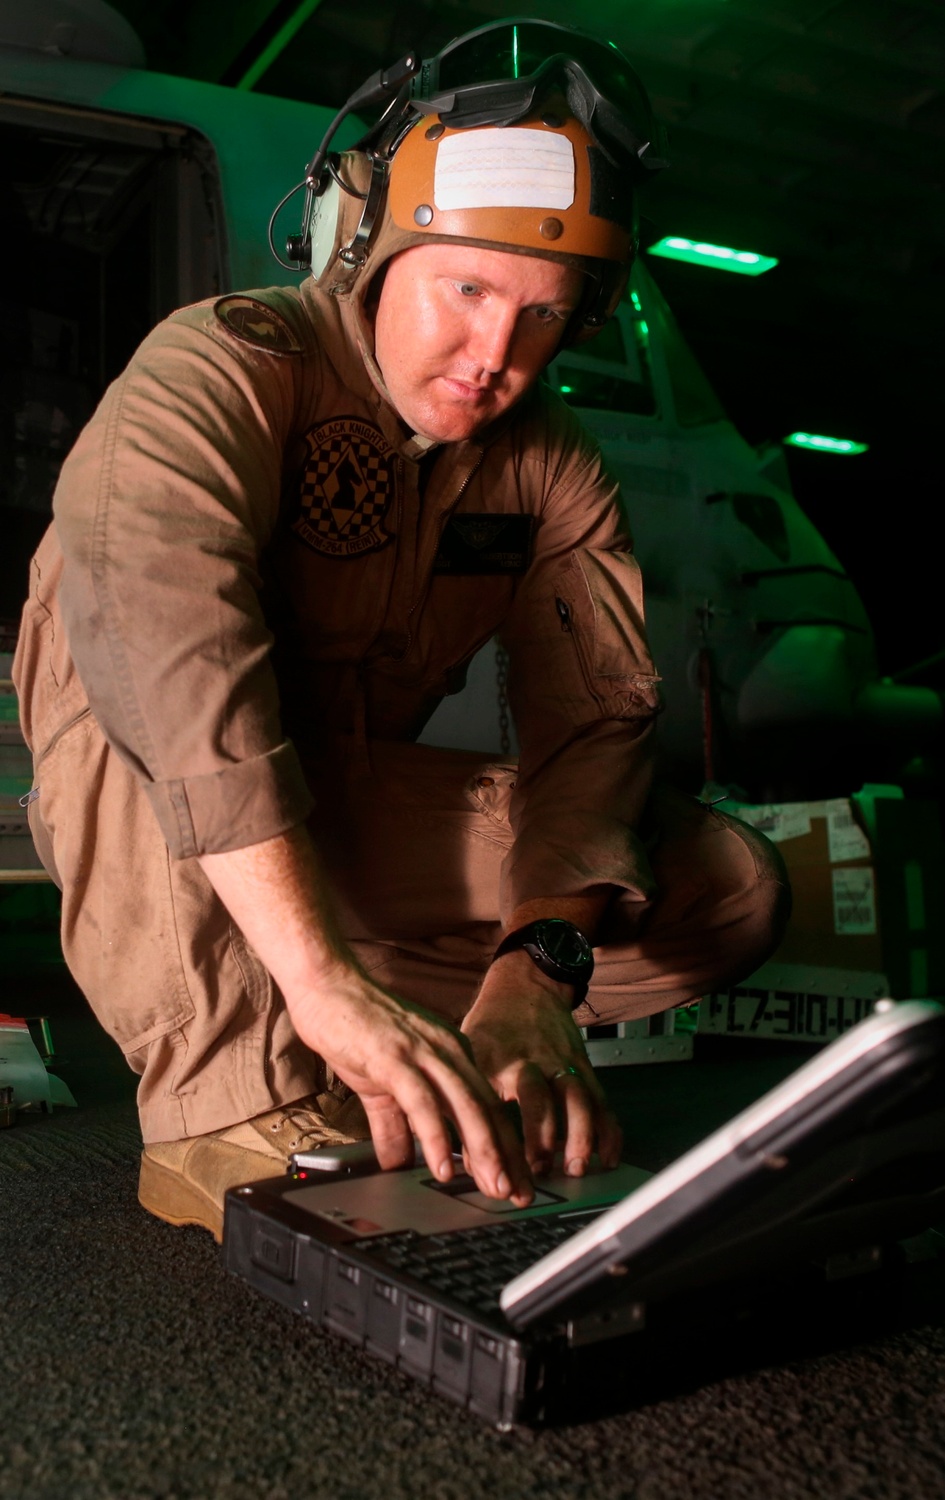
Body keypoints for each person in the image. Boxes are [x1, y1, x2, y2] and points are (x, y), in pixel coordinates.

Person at [13, 18, 789, 1240]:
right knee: (134, 647)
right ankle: (235, 1092)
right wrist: (319, 983)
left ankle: (412, 1045)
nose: (496, 356)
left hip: (339, 817)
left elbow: (593, 733)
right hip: (162, 803)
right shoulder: (224, 366)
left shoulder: (552, 466)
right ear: (363, 253)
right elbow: (162, 644)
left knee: (725, 891)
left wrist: (534, 982)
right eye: (467, 289)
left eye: (544, 314)